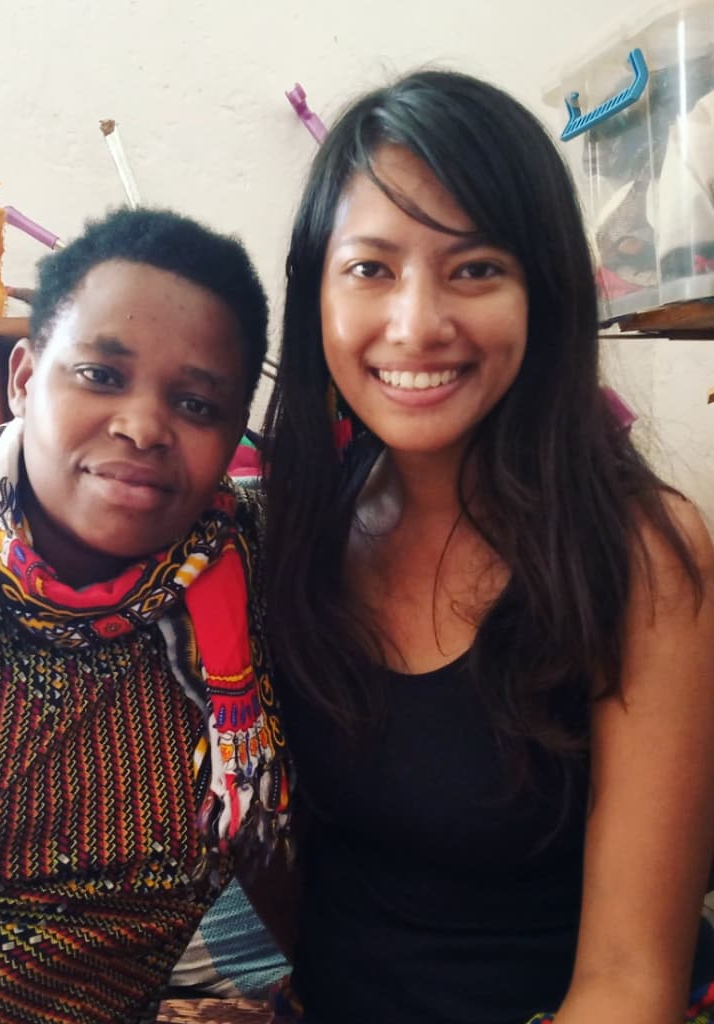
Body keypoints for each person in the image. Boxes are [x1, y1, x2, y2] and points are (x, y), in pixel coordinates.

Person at [260, 69, 714, 1023]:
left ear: (542, 293)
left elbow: (631, 980)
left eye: (473, 268)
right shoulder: (294, 519)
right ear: (316, 294)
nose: (416, 324)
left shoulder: (641, 556)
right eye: (370, 268)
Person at [0, 205, 291, 1024]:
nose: (143, 426)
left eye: (196, 404)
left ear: (232, 438)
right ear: (23, 378)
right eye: (101, 376)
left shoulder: (261, 581)